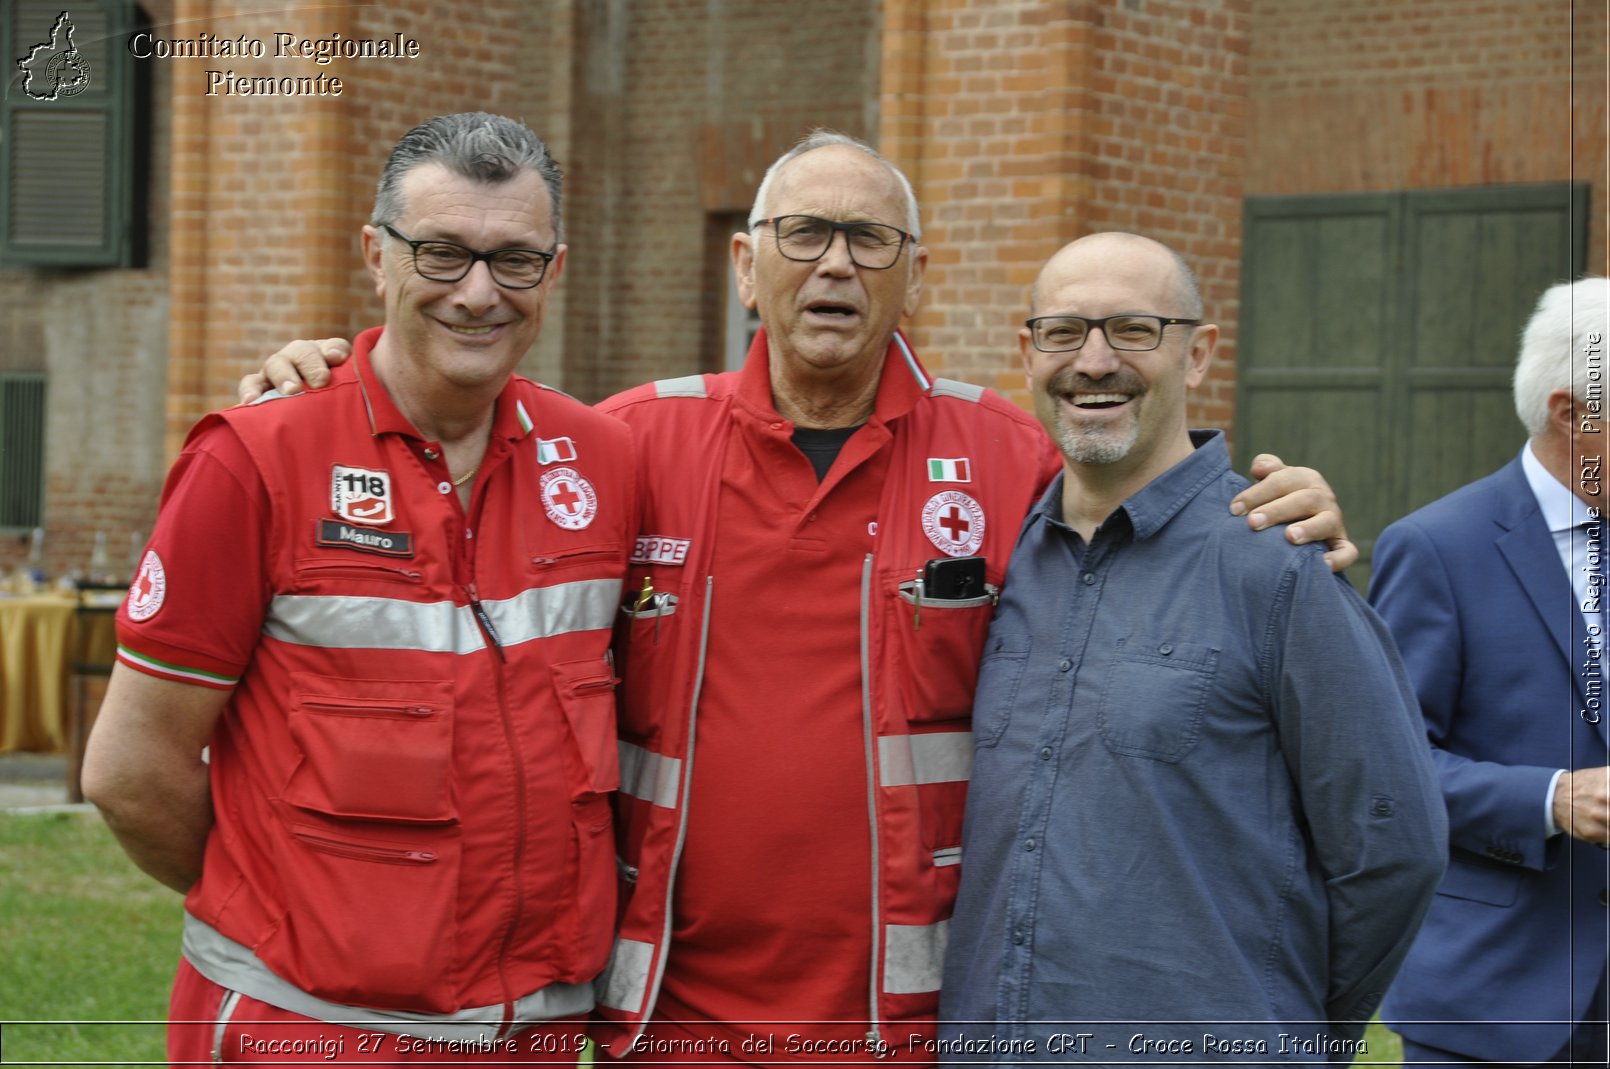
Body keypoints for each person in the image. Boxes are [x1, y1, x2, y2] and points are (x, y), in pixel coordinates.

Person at [238, 132, 1355, 1065]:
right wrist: (326, 387)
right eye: (803, 235)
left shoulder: (1011, 454)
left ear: (915, 273)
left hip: (915, 1023)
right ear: (743, 266)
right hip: (666, 1013)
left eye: (869, 240)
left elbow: (1148, 540)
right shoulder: (625, 440)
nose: (835, 266)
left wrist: (1272, 507)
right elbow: (451, 454)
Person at [82, 113, 637, 1065]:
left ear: (554, 269)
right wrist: (286, 903)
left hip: (532, 1037)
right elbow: (131, 772)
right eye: (442, 252)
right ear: (376, 255)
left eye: (513, 260)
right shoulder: (257, 458)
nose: (477, 292)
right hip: (310, 1032)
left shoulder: (603, 459)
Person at [940, 231, 1447, 1064]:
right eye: (1064, 331)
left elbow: (1395, 843)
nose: (1094, 361)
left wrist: (1285, 1030)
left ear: (1199, 353)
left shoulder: (1276, 564)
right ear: (1026, 352)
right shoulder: (1004, 555)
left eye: (1134, 329)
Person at [1369, 277, 1610, 1068]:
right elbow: (1387, 771)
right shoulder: (1437, 548)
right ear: (1573, 413)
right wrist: (1549, 797)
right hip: (1497, 1000)